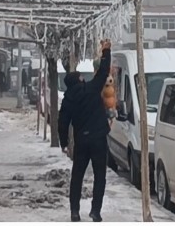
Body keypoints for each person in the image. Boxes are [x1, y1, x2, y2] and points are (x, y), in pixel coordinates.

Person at [59, 39, 112, 223]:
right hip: (98, 139)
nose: (83, 77)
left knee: (77, 177)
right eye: (81, 76)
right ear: (79, 80)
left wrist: (64, 142)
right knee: (100, 176)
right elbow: (104, 71)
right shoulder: (91, 88)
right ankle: (95, 211)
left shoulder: (67, 101)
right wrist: (106, 52)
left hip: (81, 141)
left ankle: (74, 211)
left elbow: (62, 122)